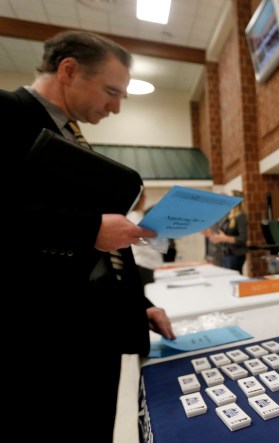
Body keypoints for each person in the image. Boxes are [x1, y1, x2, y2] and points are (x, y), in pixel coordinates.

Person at [3, 30, 175, 438]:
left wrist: (136, 304)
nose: (115, 107)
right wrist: (91, 227)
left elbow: (95, 255)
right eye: (111, 91)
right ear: (68, 70)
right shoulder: (8, 113)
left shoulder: (70, 138)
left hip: (92, 335)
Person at [204, 192, 249, 273]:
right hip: (226, 254)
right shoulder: (230, 217)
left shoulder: (241, 216)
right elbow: (222, 234)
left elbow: (243, 238)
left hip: (235, 254)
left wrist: (224, 238)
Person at [126, 192, 164, 285]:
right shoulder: (134, 216)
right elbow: (144, 242)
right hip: (143, 264)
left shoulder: (135, 216)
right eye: (143, 196)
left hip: (145, 264)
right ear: (140, 199)